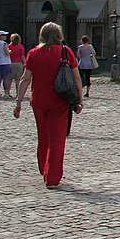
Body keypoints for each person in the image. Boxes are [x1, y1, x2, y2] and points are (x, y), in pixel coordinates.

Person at [13, 22, 85, 189]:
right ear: (59, 35)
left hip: (38, 100)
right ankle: (52, 177)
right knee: (57, 138)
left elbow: (25, 79)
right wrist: (79, 100)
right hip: (59, 100)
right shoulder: (66, 52)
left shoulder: (33, 53)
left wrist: (18, 102)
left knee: (43, 135)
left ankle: (43, 167)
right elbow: (76, 78)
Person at [0, 31, 12, 98]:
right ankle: (6, 92)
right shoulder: (4, 44)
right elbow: (6, 53)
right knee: (6, 78)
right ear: (0, 36)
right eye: (4, 35)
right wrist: (10, 51)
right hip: (6, 62)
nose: (5, 36)